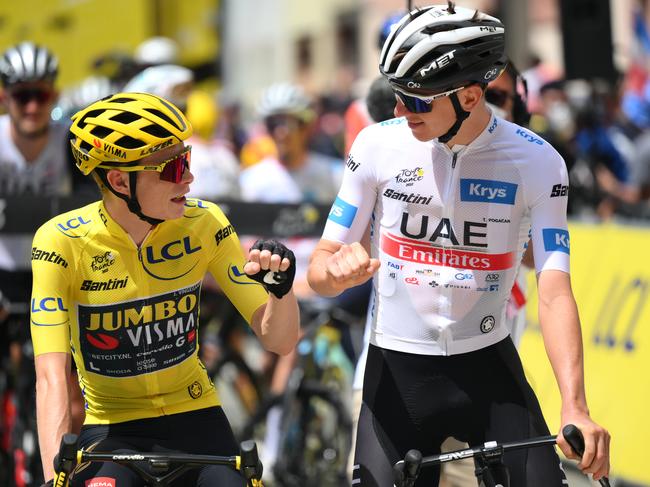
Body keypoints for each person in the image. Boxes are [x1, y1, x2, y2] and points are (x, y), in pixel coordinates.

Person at [307, 4, 610, 486]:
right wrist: (334, 272)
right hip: (396, 375)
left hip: (487, 368)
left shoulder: (538, 163)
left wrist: (576, 405)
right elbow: (319, 271)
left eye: (417, 100)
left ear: (470, 96)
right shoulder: (375, 146)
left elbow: (554, 291)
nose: (401, 111)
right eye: (396, 95)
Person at [31, 92, 300, 486]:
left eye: (186, 159)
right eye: (173, 168)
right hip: (112, 427)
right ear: (121, 180)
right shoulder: (61, 242)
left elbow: (279, 340)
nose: (189, 177)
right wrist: (54, 473)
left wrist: (281, 293)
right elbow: (51, 376)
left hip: (197, 417)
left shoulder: (204, 223)